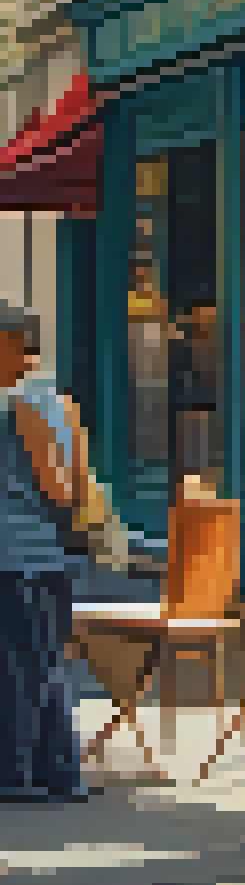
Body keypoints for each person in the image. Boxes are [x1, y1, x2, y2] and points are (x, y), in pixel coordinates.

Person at [0, 303, 112, 802]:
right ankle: (54, 772)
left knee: (27, 666)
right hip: (39, 555)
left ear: (11, 344)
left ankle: (36, 774)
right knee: (39, 662)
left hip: (26, 555)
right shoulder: (55, 401)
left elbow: (60, 487)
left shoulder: (31, 401)